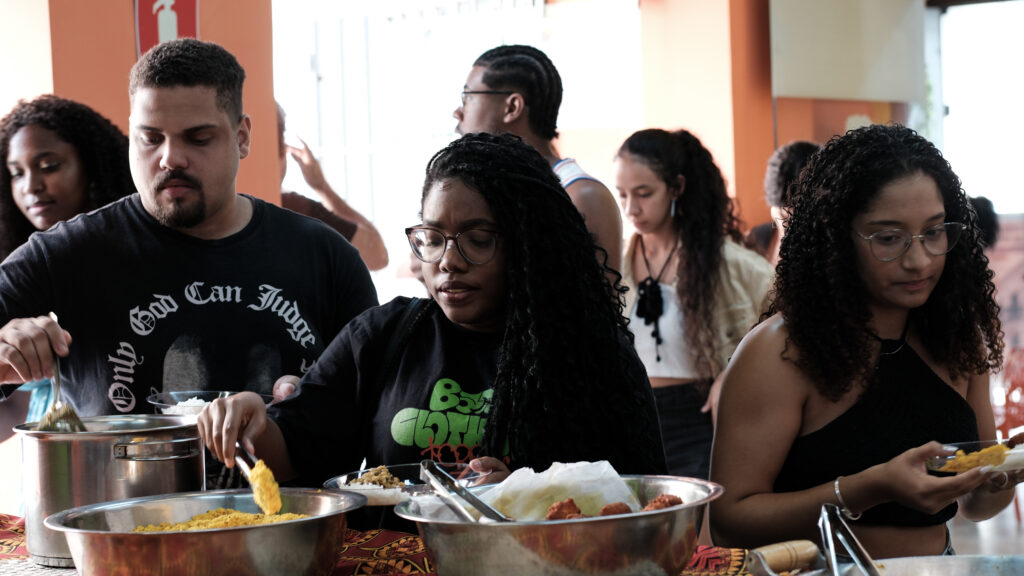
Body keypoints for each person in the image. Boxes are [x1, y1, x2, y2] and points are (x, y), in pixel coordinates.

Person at [198, 132, 668, 493]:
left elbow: (636, 500)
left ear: (527, 247)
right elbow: (292, 450)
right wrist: (251, 420)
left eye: (478, 239)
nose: (449, 260)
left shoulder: (589, 355)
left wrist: (526, 493)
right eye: (434, 238)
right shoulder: (383, 336)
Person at [0, 38, 377, 421]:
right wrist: (6, 346)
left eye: (198, 138)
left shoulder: (327, 258)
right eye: (150, 138)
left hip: (286, 484)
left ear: (242, 137)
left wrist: (314, 405)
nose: (170, 158)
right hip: (122, 482)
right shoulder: (65, 253)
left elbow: (378, 407)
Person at [709, 124, 1011, 558]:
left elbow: (978, 506)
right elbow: (730, 522)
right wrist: (868, 488)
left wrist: (1000, 475)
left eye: (934, 232)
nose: (919, 259)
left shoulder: (957, 339)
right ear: (835, 238)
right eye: (888, 238)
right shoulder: (779, 353)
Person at [614, 128, 773, 479]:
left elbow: (783, 322)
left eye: (643, 194)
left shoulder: (729, 265)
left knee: (696, 530)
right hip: (630, 420)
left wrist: (732, 375)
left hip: (698, 420)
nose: (630, 208)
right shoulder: (615, 264)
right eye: (622, 194)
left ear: (677, 187)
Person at [0, 95, 137, 418]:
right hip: (51, 449)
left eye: (49, 166)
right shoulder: (20, 270)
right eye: (16, 173)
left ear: (90, 168)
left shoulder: (128, 259)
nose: (31, 186)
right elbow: (16, 408)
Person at [452, 44, 622, 273]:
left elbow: (601, 303)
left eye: (467, 98)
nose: (457, 113)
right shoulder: (485, 188)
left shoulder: (580, 196)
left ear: (512, 107)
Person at [275, 103, 388, 271]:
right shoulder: (295, 209)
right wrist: (321, 187)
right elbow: (377, 256)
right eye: (282, 138)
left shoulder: (229, 204)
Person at [745, 140, 820, 265]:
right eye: (782, 217)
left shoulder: (831, 251)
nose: (786, 232)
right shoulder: (755, 238)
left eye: (796, 219)